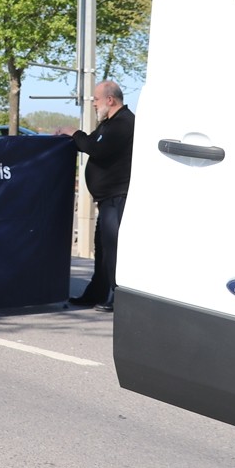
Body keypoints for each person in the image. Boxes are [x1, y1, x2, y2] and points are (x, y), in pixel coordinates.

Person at [62, 80, 135, 312]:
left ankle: (117, 295)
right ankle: (96, 293)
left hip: (117, 197)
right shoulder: (109, 123)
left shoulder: (124, 123)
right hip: (106, 199)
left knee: (113, 249)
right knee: (102, 249)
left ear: (110, 100)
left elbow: (96, 148)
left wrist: (75, 133)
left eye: (96, 99)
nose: (94, 104)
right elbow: (93, 142)